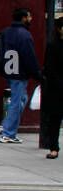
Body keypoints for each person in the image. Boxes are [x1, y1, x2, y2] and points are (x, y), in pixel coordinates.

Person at [0, 7, 43, 144]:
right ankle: (8, 133)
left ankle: (6, 125)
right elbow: (29, 57)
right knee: (17, 102)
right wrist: (37, 74)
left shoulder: (7, 32)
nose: (31, 19)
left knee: (21, 99)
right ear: (23, 18)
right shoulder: (25, 35)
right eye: (29, 16)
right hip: (19, 73)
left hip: (9, 70)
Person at [39, 19, 63, 159]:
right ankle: (54, 148)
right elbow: (49, 69)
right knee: (55, 121)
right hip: (57, 90)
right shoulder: (53, 46)